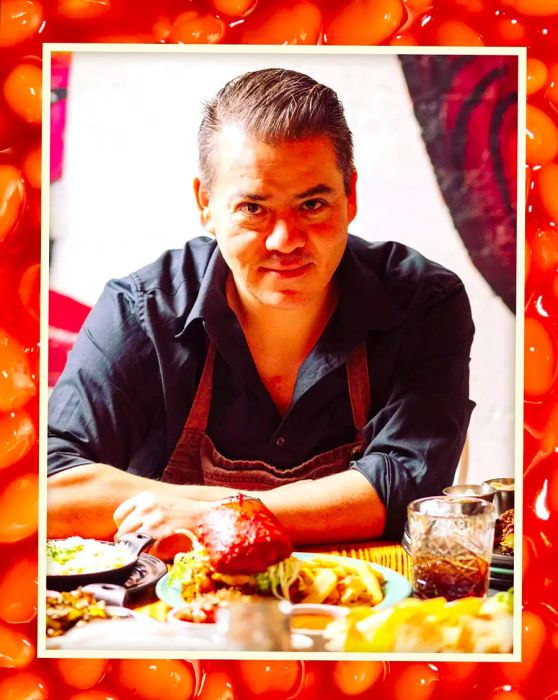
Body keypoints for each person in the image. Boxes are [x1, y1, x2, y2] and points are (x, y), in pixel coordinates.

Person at [47, 68, 475, 551]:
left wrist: (210, 515)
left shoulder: (424, 302)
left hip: (359, 611)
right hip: (172, 614)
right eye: (254, 208)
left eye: (312, 204)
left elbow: (406, 489)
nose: (284, 240)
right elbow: (53, 486)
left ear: (350, 196)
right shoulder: (140, 311)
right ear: (206, 204)